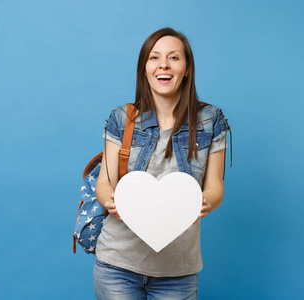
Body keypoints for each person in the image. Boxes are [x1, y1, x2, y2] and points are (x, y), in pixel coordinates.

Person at [94, 27, 230, 300]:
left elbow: (215, 187)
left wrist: (205, 202)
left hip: (178, 271)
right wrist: (112, 201)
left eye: (174, 58)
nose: (163, 65)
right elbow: (105, 183)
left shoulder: (210, 120)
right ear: (144, 68)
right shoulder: (122, 118)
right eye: (154, 57)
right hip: (117, 264)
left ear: (187, 68)